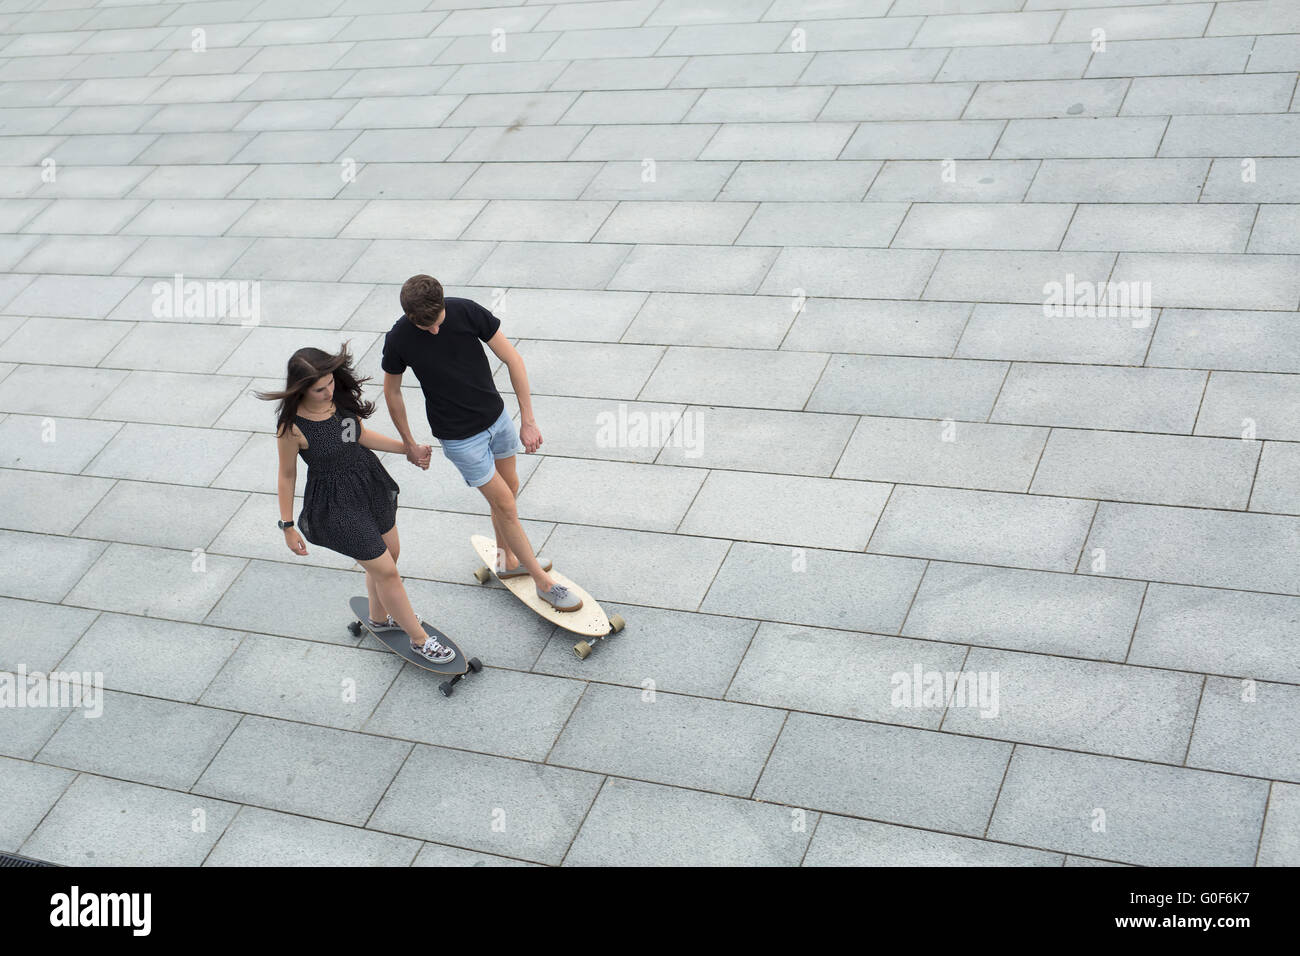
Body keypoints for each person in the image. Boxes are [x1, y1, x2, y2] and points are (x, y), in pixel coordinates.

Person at [381, 274, 581, 612]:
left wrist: (527, 420)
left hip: (497, 420)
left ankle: (506, 559)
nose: (432, 331)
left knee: (510, 488)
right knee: (505, 504)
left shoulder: (467, 312)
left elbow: (513, 359)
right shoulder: (399, 338)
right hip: (460, 438)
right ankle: (543, 583)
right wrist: (409, 443)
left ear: (443, 304)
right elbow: (392, 391)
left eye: (436, 322)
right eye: (423, 326)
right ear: (409, 315)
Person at [256, 344, 456, 663]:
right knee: (387, 571)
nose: (328, 391)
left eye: (331, 382)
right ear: (300, 389)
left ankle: (379, 617)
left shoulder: (339, 402)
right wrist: (287, 526)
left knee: (390, 553)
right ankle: (419, 639)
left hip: (368, 483)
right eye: (319, 388)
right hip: (336, 504)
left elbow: (359, 435)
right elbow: (287, 476)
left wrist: (408, 449)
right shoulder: (291, 428)